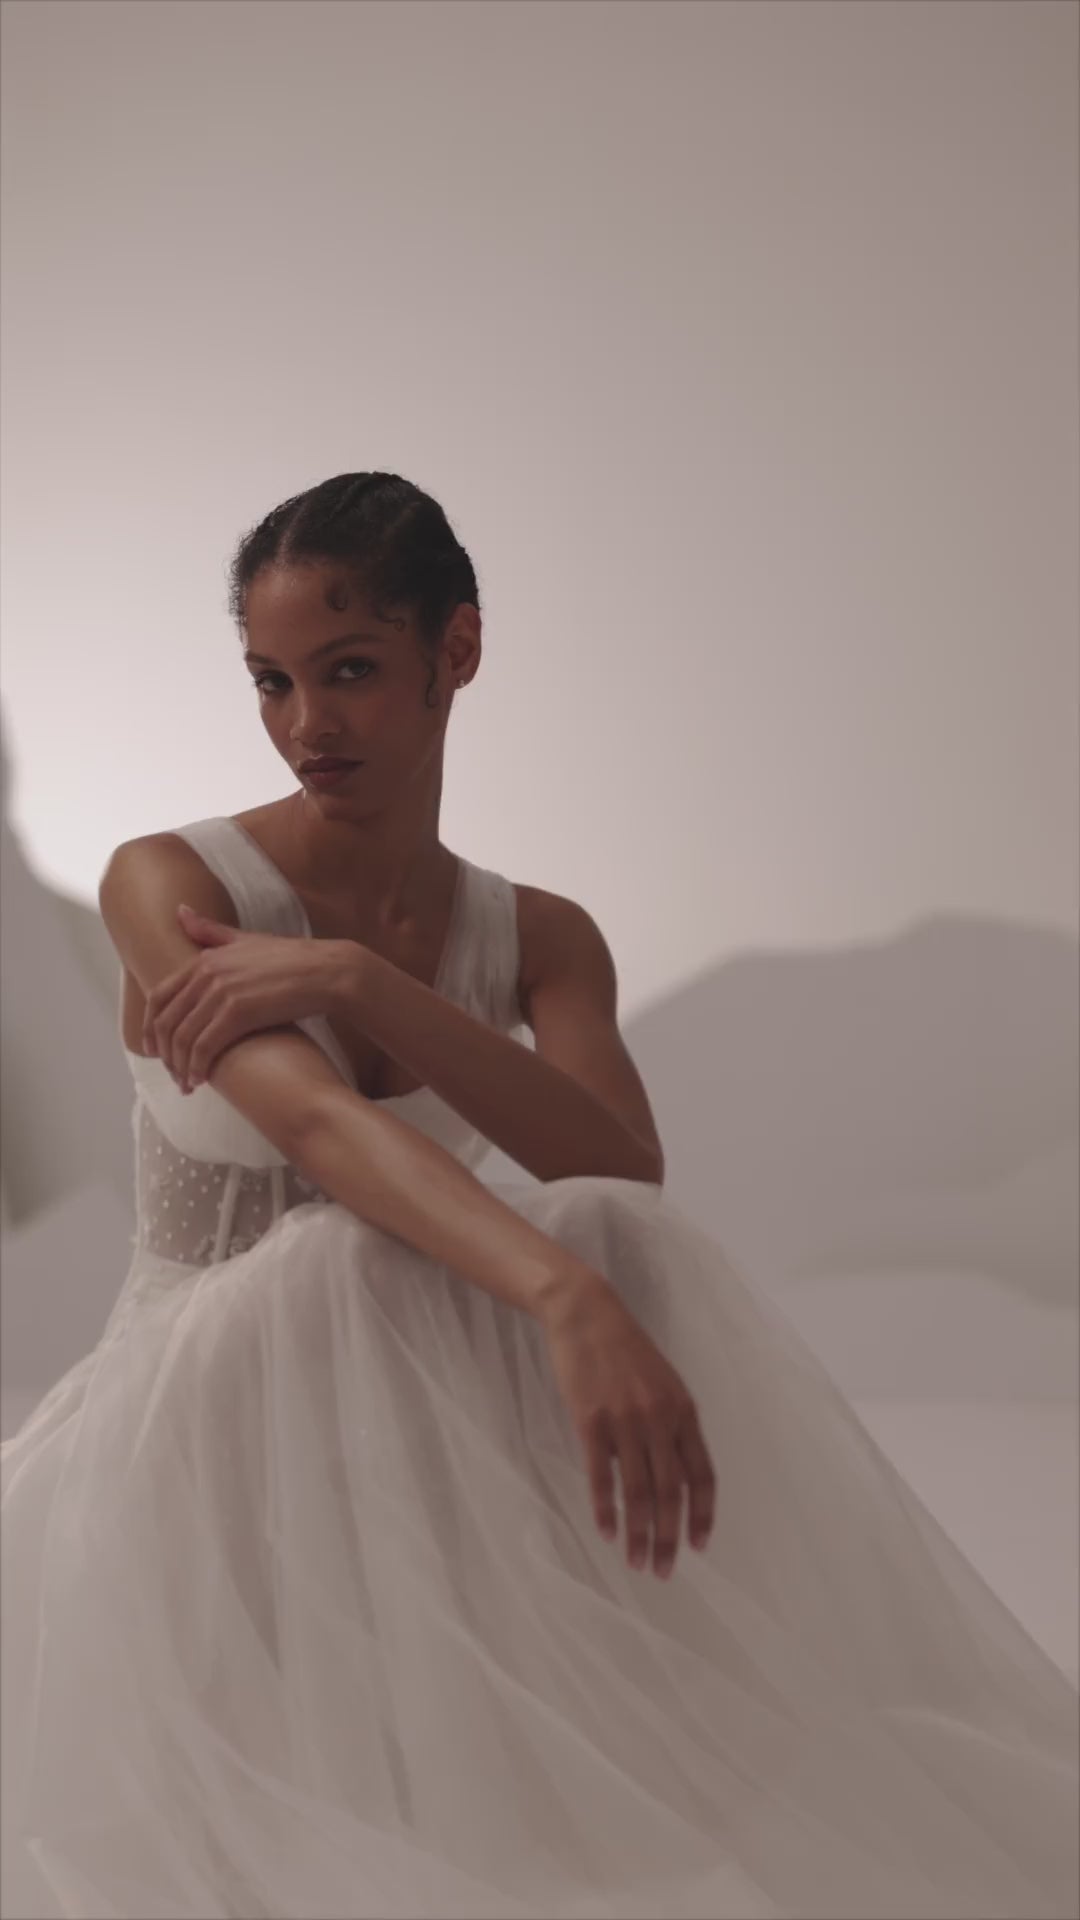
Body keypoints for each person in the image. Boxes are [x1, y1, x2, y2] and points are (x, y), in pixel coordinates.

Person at [1, 471, 1076, 1920]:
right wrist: (562, 1297)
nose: (307, 725)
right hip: (202, 1431)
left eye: (354, 671)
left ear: (459, 651)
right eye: (273, 682)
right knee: (367, 1262)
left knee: (610, 1228)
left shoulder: (543, 936)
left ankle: (691, 1655)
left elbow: (617, 1165)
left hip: (414, 1419)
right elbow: (318, 1131)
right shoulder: (172, 883)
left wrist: (363, 979)